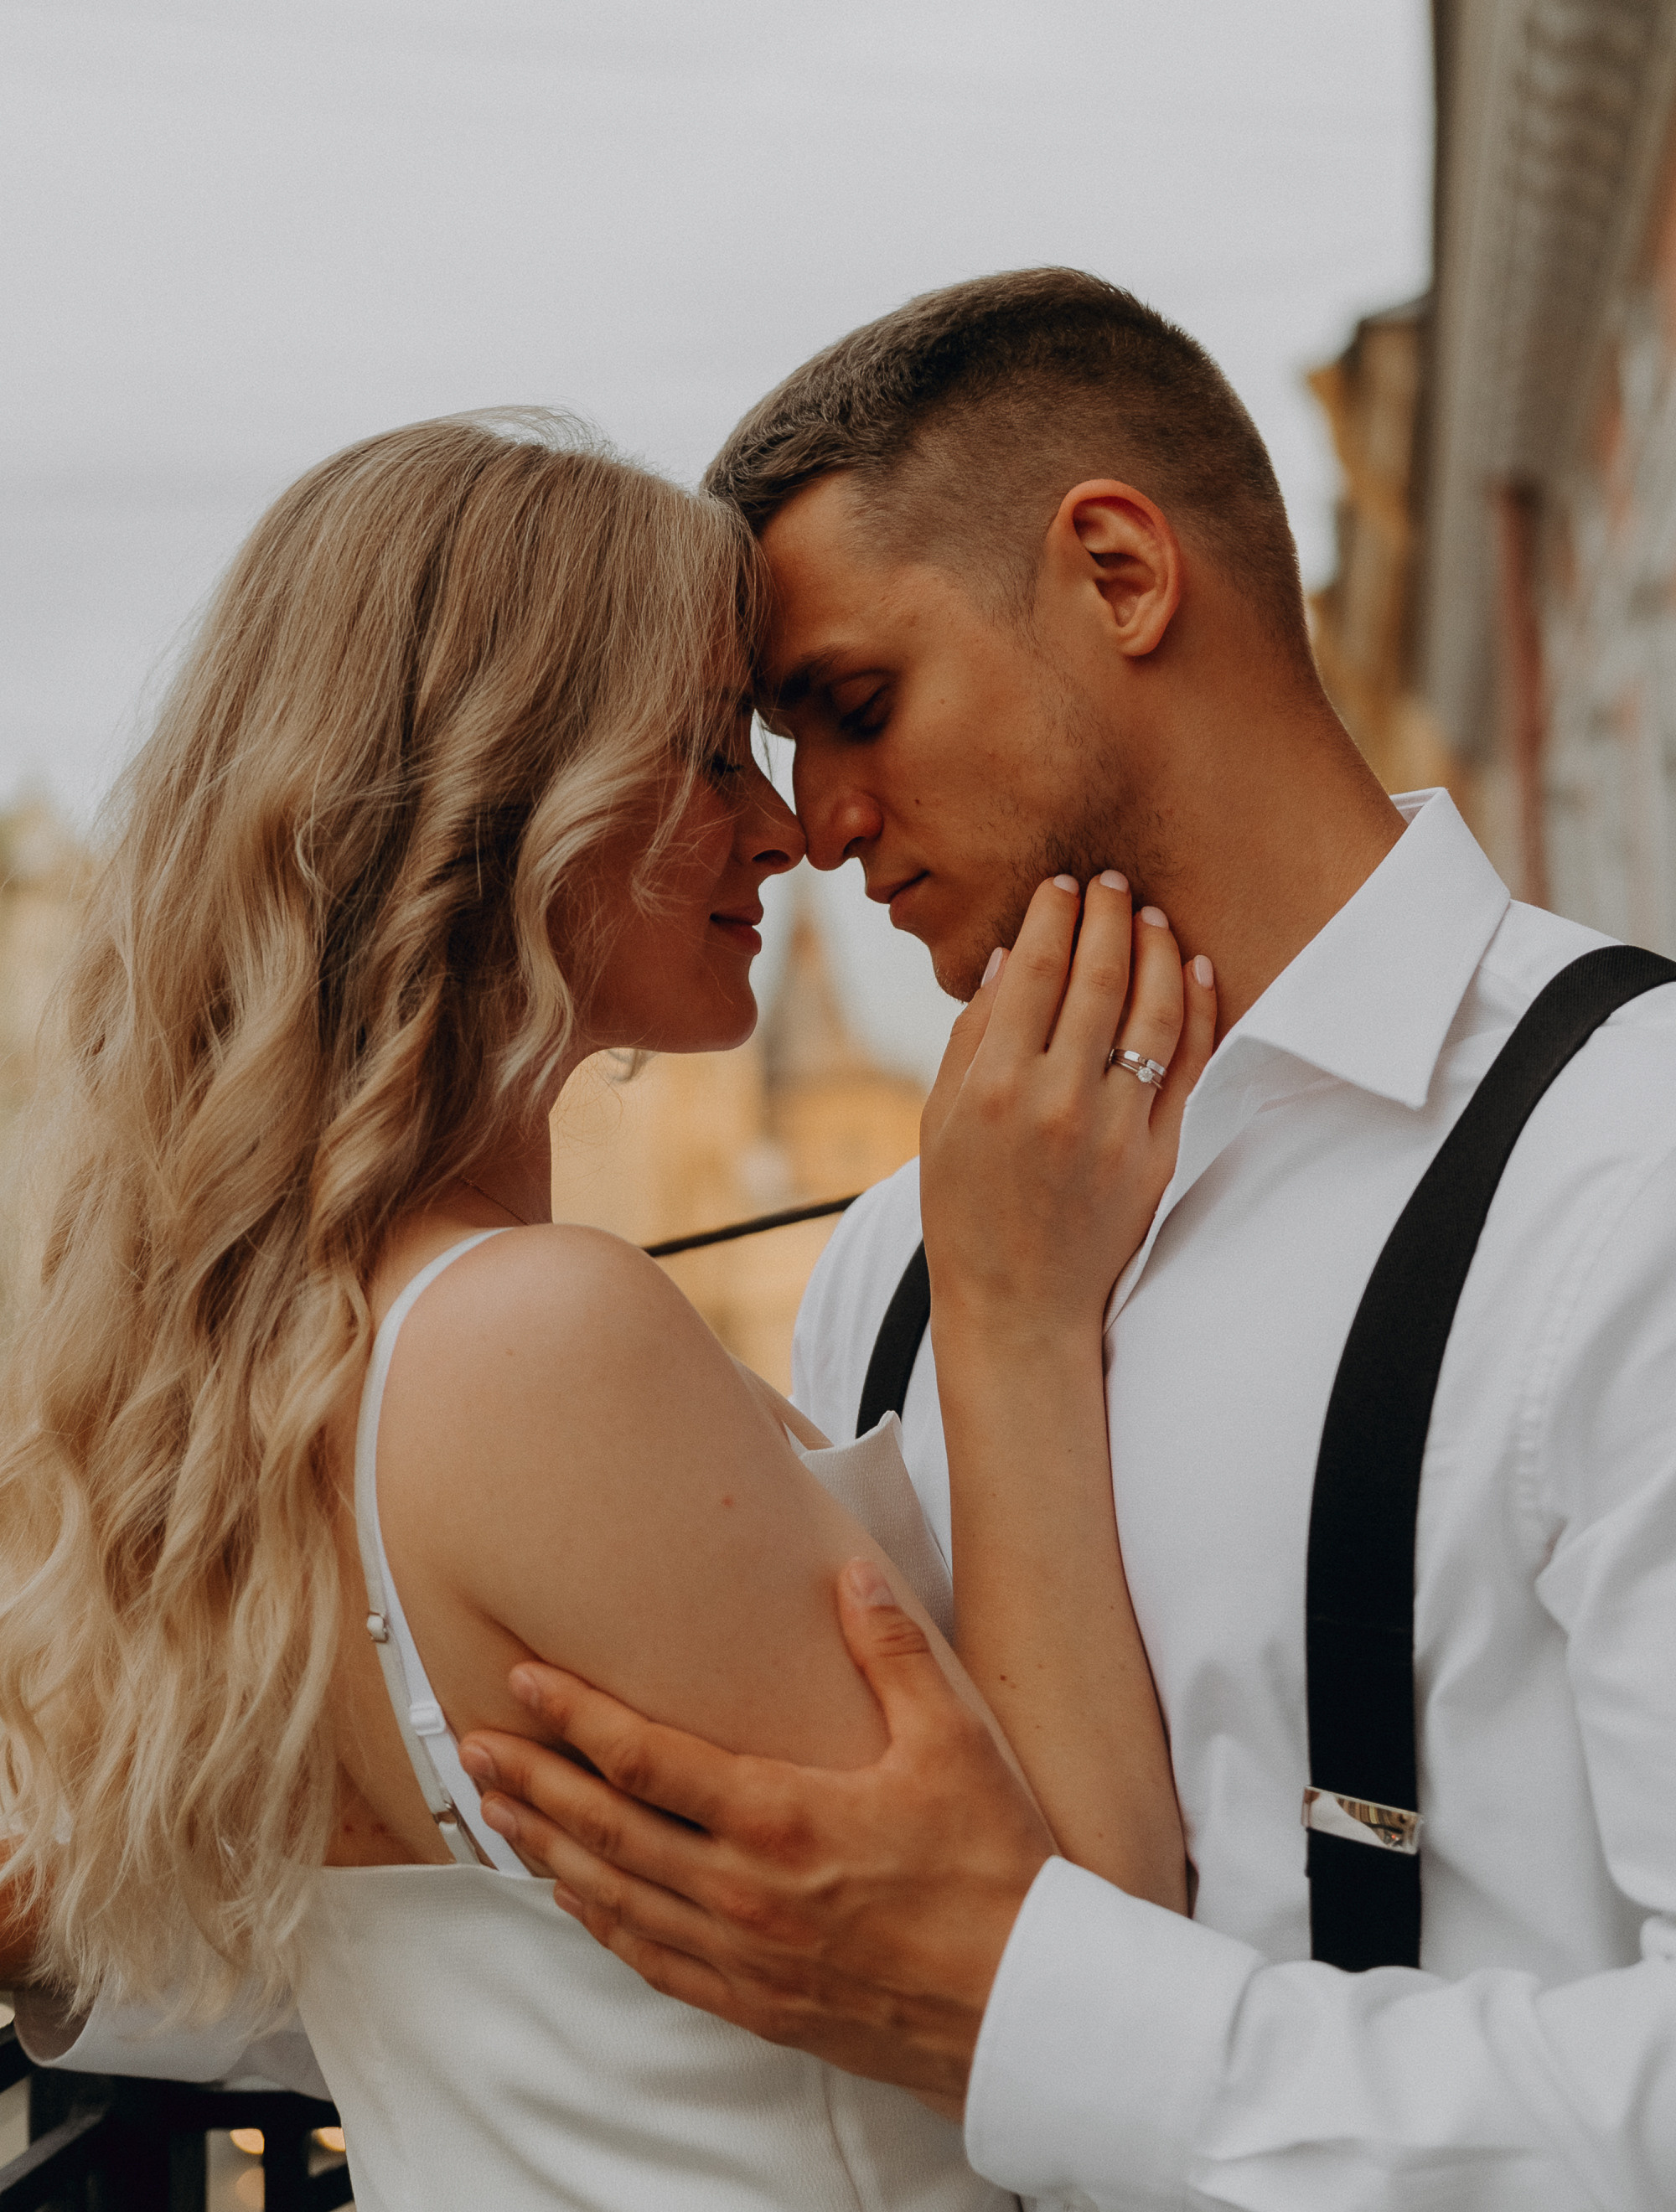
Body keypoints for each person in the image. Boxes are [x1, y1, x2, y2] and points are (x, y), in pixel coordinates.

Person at [459, 271, 1676, 2211]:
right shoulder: (889, 1269)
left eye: (853, 709)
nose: (821, 830)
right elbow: (710, 1897)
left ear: (1117, 572)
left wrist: (1037, 2015)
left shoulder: (1631, 1165)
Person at [0, 406, 1208, 2210]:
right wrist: (1015, 1311)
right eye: (715, 754)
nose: (786, 831)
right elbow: (1087, 1988)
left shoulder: (299, 1354)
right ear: (508, 794)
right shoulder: (524, 1338)